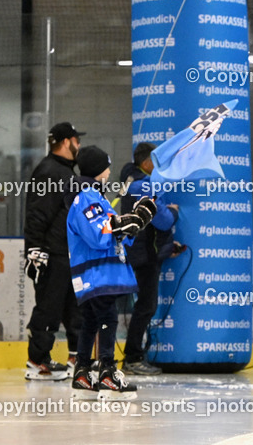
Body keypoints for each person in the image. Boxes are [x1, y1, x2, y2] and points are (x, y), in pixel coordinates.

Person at [67, 146, 156, 400]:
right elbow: (98, 234)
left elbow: (114, 236)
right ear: (97, 171)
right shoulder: (86, 197)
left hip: (98, 272)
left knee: (92, 320)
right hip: (97, 272)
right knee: (107, 316)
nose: (109, 171)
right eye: (106, 166)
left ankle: (83, 372)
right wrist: (128, 221)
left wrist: (138, 220)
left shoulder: (95, 197)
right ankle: (107, 371)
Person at [23, 122, 84, 380]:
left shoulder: (65, 172)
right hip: (51, 254)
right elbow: (37, 214)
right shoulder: (49, 172)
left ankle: (75, 357)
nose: (79, 145)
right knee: (48, 308)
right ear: (66, 142)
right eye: (76, 140)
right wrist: (36, 250)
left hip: (67, 253)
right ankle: (37, 361)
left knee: (73, 308)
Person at [118, 142, 180, 375]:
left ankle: (130, 356)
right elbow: (162, 220)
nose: (161, 166)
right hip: (143, 255)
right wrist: (174, 211)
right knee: (146, 306)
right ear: (146, 163)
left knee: (140, 306)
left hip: (140, 250)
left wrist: (167, 246)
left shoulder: (130, 179)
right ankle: (133, 358)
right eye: (157, 161)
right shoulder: (143, 185)